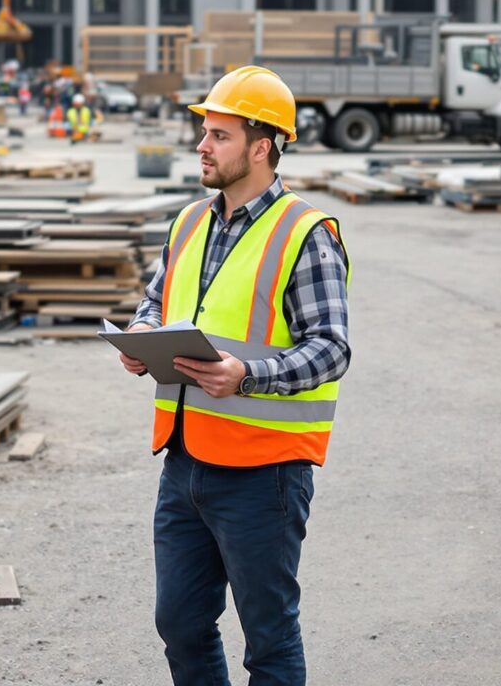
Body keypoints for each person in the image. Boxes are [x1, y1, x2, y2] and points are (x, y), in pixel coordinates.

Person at [119, 64, 351, 686]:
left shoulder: (305, 234)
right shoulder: (190, 222)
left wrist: (247, 374)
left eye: (218, 134)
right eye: (203, 131)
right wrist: (141, 336)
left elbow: (331, 349)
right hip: (185, 459)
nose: (201, 145)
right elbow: (155, 301)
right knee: (181, 626)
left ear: (262, 146)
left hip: (263, 475)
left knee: (269, 640)